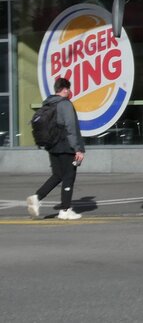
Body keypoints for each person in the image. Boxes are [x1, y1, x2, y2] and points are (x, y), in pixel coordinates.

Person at [27, 77, 85, 220]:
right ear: (65, 89)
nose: (69, 91)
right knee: (69, 177)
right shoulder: (65, 104)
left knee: (57, 175)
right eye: (68, 89)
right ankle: (65, 210)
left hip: (52, 145)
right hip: (66, 146)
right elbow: (71, 127)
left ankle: (36, 197)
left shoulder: (48, 103)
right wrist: (78, 148)